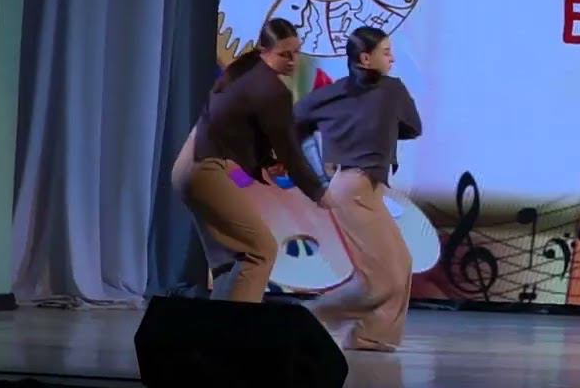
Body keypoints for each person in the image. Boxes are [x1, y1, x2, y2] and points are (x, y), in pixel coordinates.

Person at [180, 18, 326, 303]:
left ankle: (217, 328)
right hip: (204, 168)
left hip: (191, 166)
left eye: (296, 52)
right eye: (285, 54)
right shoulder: (271, 89)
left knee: (230, 259)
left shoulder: (244, 74)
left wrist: (266, 161)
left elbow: (238, 132)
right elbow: (291, 153)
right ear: (264, 51)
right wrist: (320, 193)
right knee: (260, 251)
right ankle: (240, 328)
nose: (293, 61)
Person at [295, 27, 422, 352]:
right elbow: (413, 127)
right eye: (385, 52)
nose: (392, 58)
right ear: (365, 58)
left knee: (401, 264)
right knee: (379, 281)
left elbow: (295, 122)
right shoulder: (391, 90)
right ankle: (312, 314)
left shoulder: (336, 94)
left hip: (366, 187)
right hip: (352, 188)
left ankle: (371, 335)